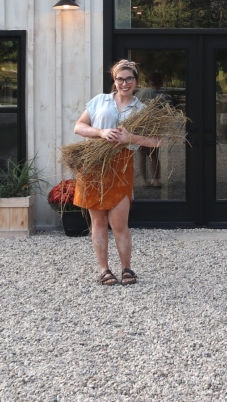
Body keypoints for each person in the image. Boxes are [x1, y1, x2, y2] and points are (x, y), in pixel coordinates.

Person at [73, 60, 161, 286]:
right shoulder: (99, 101)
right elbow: (79, 127)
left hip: (121, 165)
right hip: (94, 164)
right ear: (114, 80)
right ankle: (104, 270)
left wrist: (129, 138)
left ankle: (126, 268)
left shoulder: (141, 110)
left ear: (136, 81)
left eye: (129, 78)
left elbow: (157, 141)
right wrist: (101, 132)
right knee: (98, 222)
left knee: (120, 223)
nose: (124, 83)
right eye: (120, 79)